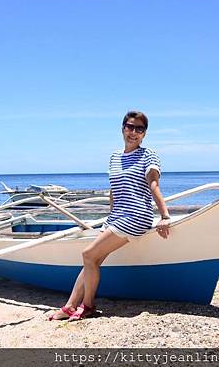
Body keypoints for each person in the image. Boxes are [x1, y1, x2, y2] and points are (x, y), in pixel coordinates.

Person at [49, 111, 171, 321]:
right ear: (123, 128)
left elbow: (153, 185)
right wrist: (110, 215)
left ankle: (87, 306)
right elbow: (114, 189)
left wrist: (165, 215)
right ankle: (69, 306)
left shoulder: (149, 155)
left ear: (144, 134)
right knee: (92, 260)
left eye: (139, 129)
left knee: (88, 254)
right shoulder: (115, 157)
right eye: (130, 127)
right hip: (116, 216)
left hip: (135, 215)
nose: (134, 132)